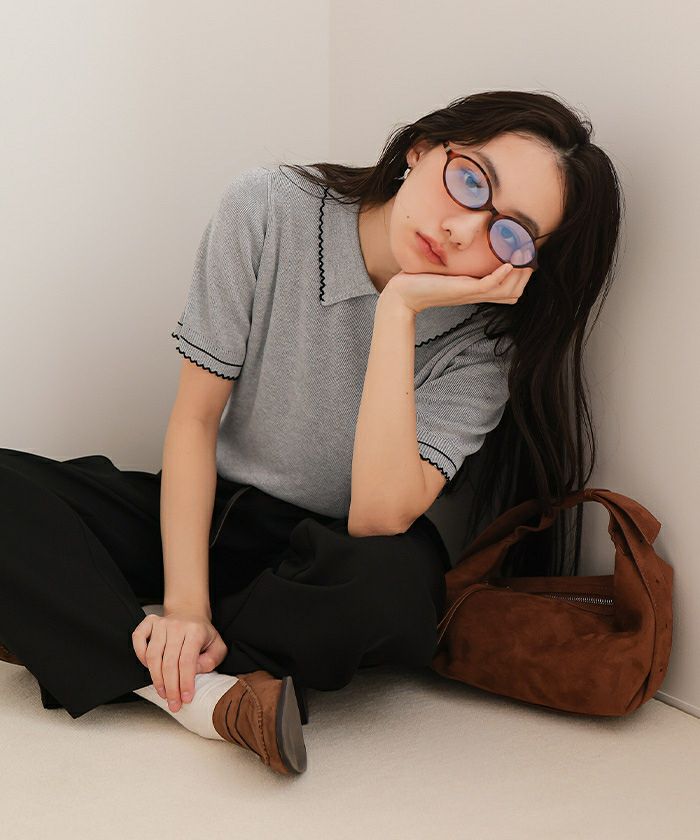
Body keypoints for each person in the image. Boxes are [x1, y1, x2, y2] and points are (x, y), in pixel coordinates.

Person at [0, 89, 623, 776]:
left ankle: (76, 633)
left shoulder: (487, 344)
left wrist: (399, 309)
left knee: (390, 587)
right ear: (421, 149)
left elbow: (378, 515)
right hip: (217, 509)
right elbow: (195, 421)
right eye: (471, 182)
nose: (461, 230)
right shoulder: (270, 208)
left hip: (332, 553)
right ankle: (209, 696)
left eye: (508, 235)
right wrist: (183, 607)